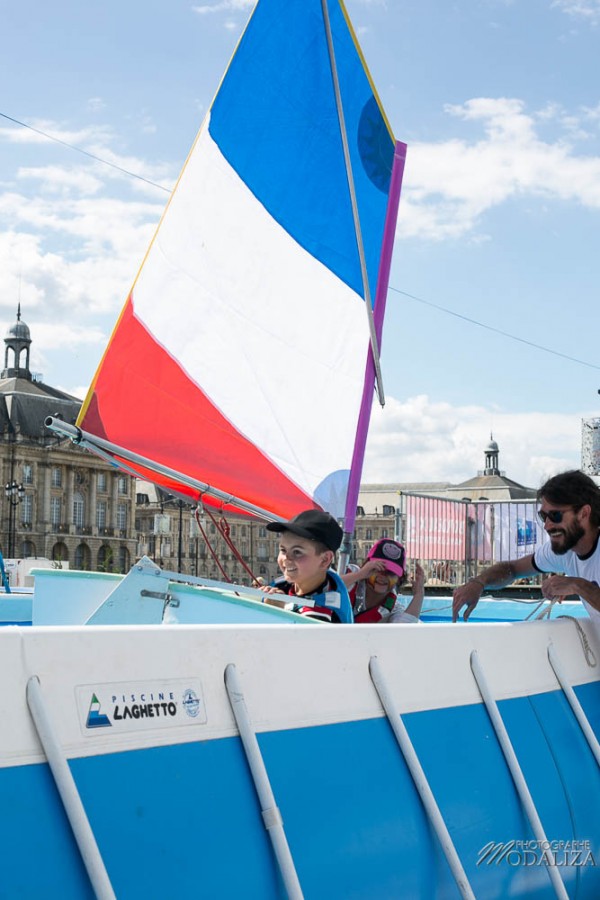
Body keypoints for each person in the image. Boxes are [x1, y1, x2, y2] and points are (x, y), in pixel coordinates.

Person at [452, 469, 600, 624]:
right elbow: (513, 569)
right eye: (543, 516)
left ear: (584, 513)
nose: (547, 526)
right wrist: (479, 583)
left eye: (555, 515)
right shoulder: (565, 551)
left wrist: (577, 585)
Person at [262, 509, 353, 623]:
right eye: (283, 550)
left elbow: (280, 640)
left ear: (325, 559)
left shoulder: (322, 614)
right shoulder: (284, 585)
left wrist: (272, 612)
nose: (287, 558)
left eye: (297, 552)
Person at [342, 538, 425, 623]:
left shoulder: (392, 608)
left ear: (399, 580)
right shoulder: (351, 576)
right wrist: (359, 575)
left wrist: (419, 594)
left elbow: (404, 628)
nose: (383, 576)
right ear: (366, 566)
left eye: (391, 573)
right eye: (378, 569)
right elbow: (330, 584)